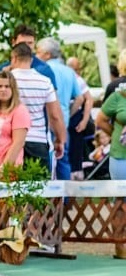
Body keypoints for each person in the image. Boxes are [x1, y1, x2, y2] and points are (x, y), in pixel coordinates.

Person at [8, 42, 65, 170]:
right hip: (38, 139)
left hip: (11, 139)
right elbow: (54, 115)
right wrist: (60, 140)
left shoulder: (7, 81)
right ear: (31, 60)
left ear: (14, 58)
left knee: (11, 185)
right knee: (39, 185)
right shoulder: (45, 81)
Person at [36, 37, 86, 180]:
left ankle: (48, 197)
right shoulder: (69, 71)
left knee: (45, 161)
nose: (36, 56)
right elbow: (80, 98)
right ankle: (64, 199)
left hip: (46, 121)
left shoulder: (42, 70)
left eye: (38, 52)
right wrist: (68, 114)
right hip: (63, 121)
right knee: (63, 161)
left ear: (47, 54)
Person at [95, 84, 126, 259]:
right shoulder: (117, 96)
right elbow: (99, 120)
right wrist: (116, 134)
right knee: (121, 200)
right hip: (121, 155)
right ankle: (121, 246)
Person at [66, 56, 94, 180]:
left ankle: (75, 175)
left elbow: (88, 99)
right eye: (76, 69)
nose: (79, 72)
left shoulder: (77, 79)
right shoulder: (70, 76)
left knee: (75, 149)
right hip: (68, 116)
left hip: (74, 118)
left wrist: (84, 120)